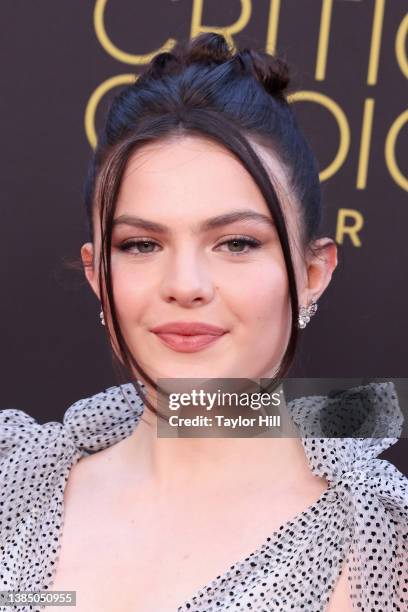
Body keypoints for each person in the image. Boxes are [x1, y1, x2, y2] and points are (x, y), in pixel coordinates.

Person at [0, 33, 406, 612]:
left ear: (313, 272)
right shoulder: (14, 485)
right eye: (141, 245)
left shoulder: (380, 549)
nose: (185, 285)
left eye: (237, 242)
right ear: (97, 274)